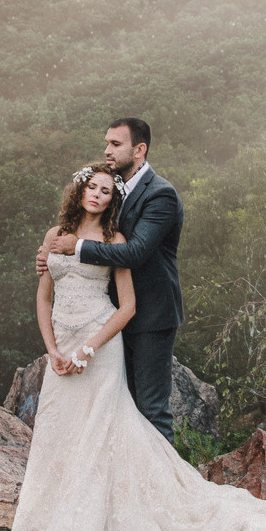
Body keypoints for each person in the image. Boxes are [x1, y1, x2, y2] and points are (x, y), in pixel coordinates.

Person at [12, 161, 266, 531]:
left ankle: (90, 527)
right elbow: (43, 296)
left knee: (99, 432)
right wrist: (51, 350)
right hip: (60, 344)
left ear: (111, 200)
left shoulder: (114, 238)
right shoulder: (54, 237)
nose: (97, 195)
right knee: (58, 430)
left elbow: (127, 306)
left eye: (106, 190)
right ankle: (45, 518)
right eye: (92, 187)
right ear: (80, 190)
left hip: (97, 344)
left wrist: (87, 348)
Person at [38, 117, 182, 439]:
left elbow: (135, 252)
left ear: (139, 150)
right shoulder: (115, 191)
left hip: (150, 317)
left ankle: (159, 488)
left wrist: (76, 249)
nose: (107, 150)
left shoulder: (161, 195)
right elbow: (90, 230)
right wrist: (51, 257)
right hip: (107, 317)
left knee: (151, 409)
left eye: (116, 145)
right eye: (106, 143)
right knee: (120, 410)